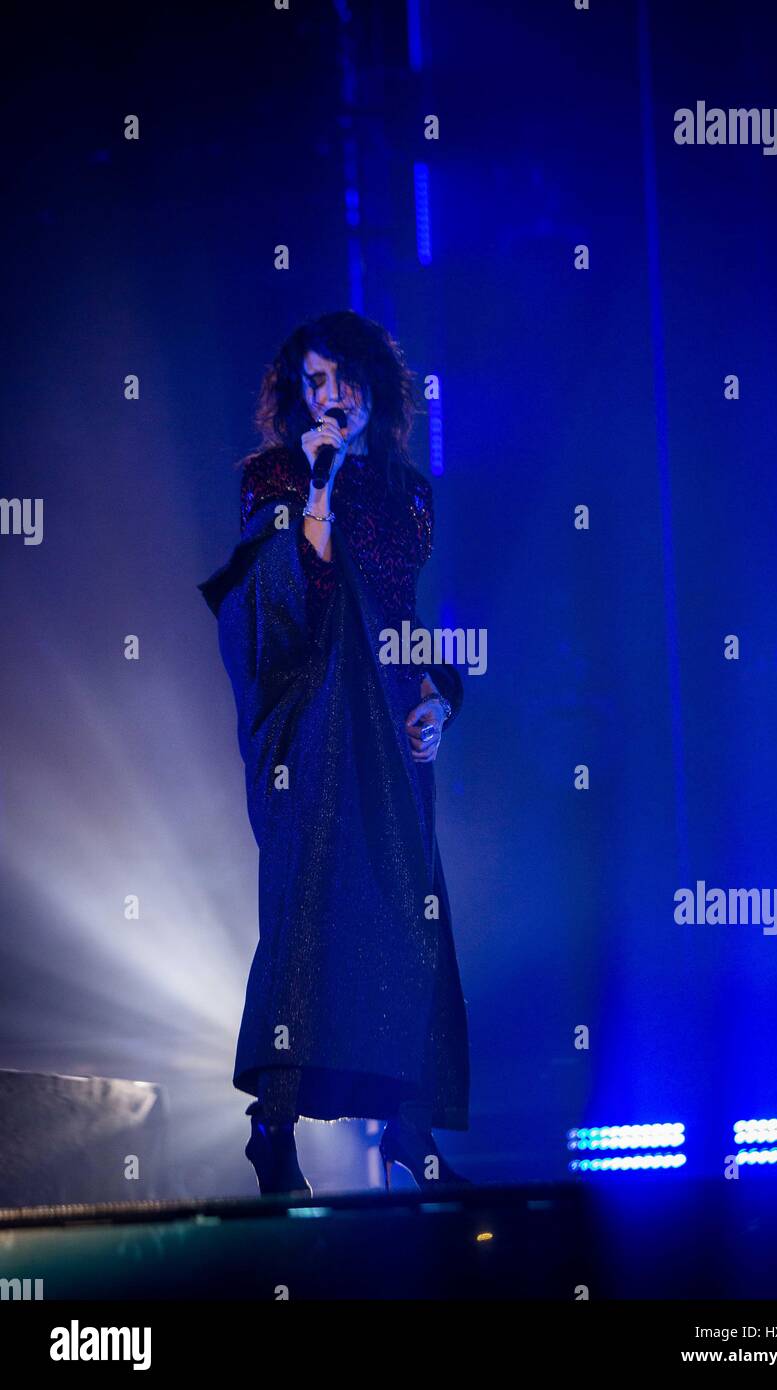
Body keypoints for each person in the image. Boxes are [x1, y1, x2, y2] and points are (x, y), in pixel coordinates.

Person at [198, 310, 470, 1195]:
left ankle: (410, 1130)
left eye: (342, 380)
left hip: (389, 722)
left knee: (408, 912)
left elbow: (404, 616)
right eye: (313, 384)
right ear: (296, 395)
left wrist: (436, 696)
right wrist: (320, 483)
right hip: (312, 722)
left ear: (370, 384)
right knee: (310, 909)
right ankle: (271, 1130)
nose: (331, 398)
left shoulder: (409, 494)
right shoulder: (279, 473)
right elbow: (290, 594)